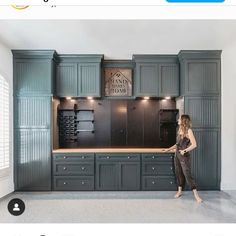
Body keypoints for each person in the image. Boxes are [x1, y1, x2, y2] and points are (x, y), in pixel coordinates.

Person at [165, 114, 203, 203]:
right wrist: (168, 149)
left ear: (183, 121)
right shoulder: (180, 130)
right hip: (177, 156)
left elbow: (194, 144)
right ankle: (179, 191)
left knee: (187, 175)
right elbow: (177, 144)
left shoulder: (189, 131)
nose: (178, 119)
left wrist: (184, 151)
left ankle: (196, 195)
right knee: (178, 174)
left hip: (184, 157)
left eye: (179, 118)